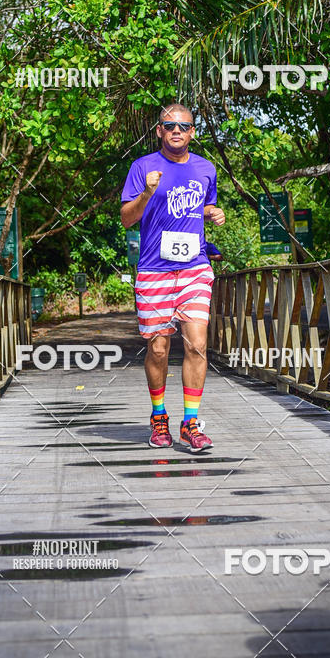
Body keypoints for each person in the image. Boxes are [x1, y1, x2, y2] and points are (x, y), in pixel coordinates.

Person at [120, 104, 225, 453]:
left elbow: (200, 206)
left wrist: (212, 212)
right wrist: (147, 194)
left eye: (183, 126)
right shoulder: (142, 167)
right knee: (159, 348)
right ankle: (159, 417)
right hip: (155, 269)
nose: (176, 130)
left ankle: (190, 423)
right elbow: (126, 219)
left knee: (197, 343)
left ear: (192, 131)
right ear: (159, 131)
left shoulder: (206, 169)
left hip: (195, 267)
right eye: (169, 125)